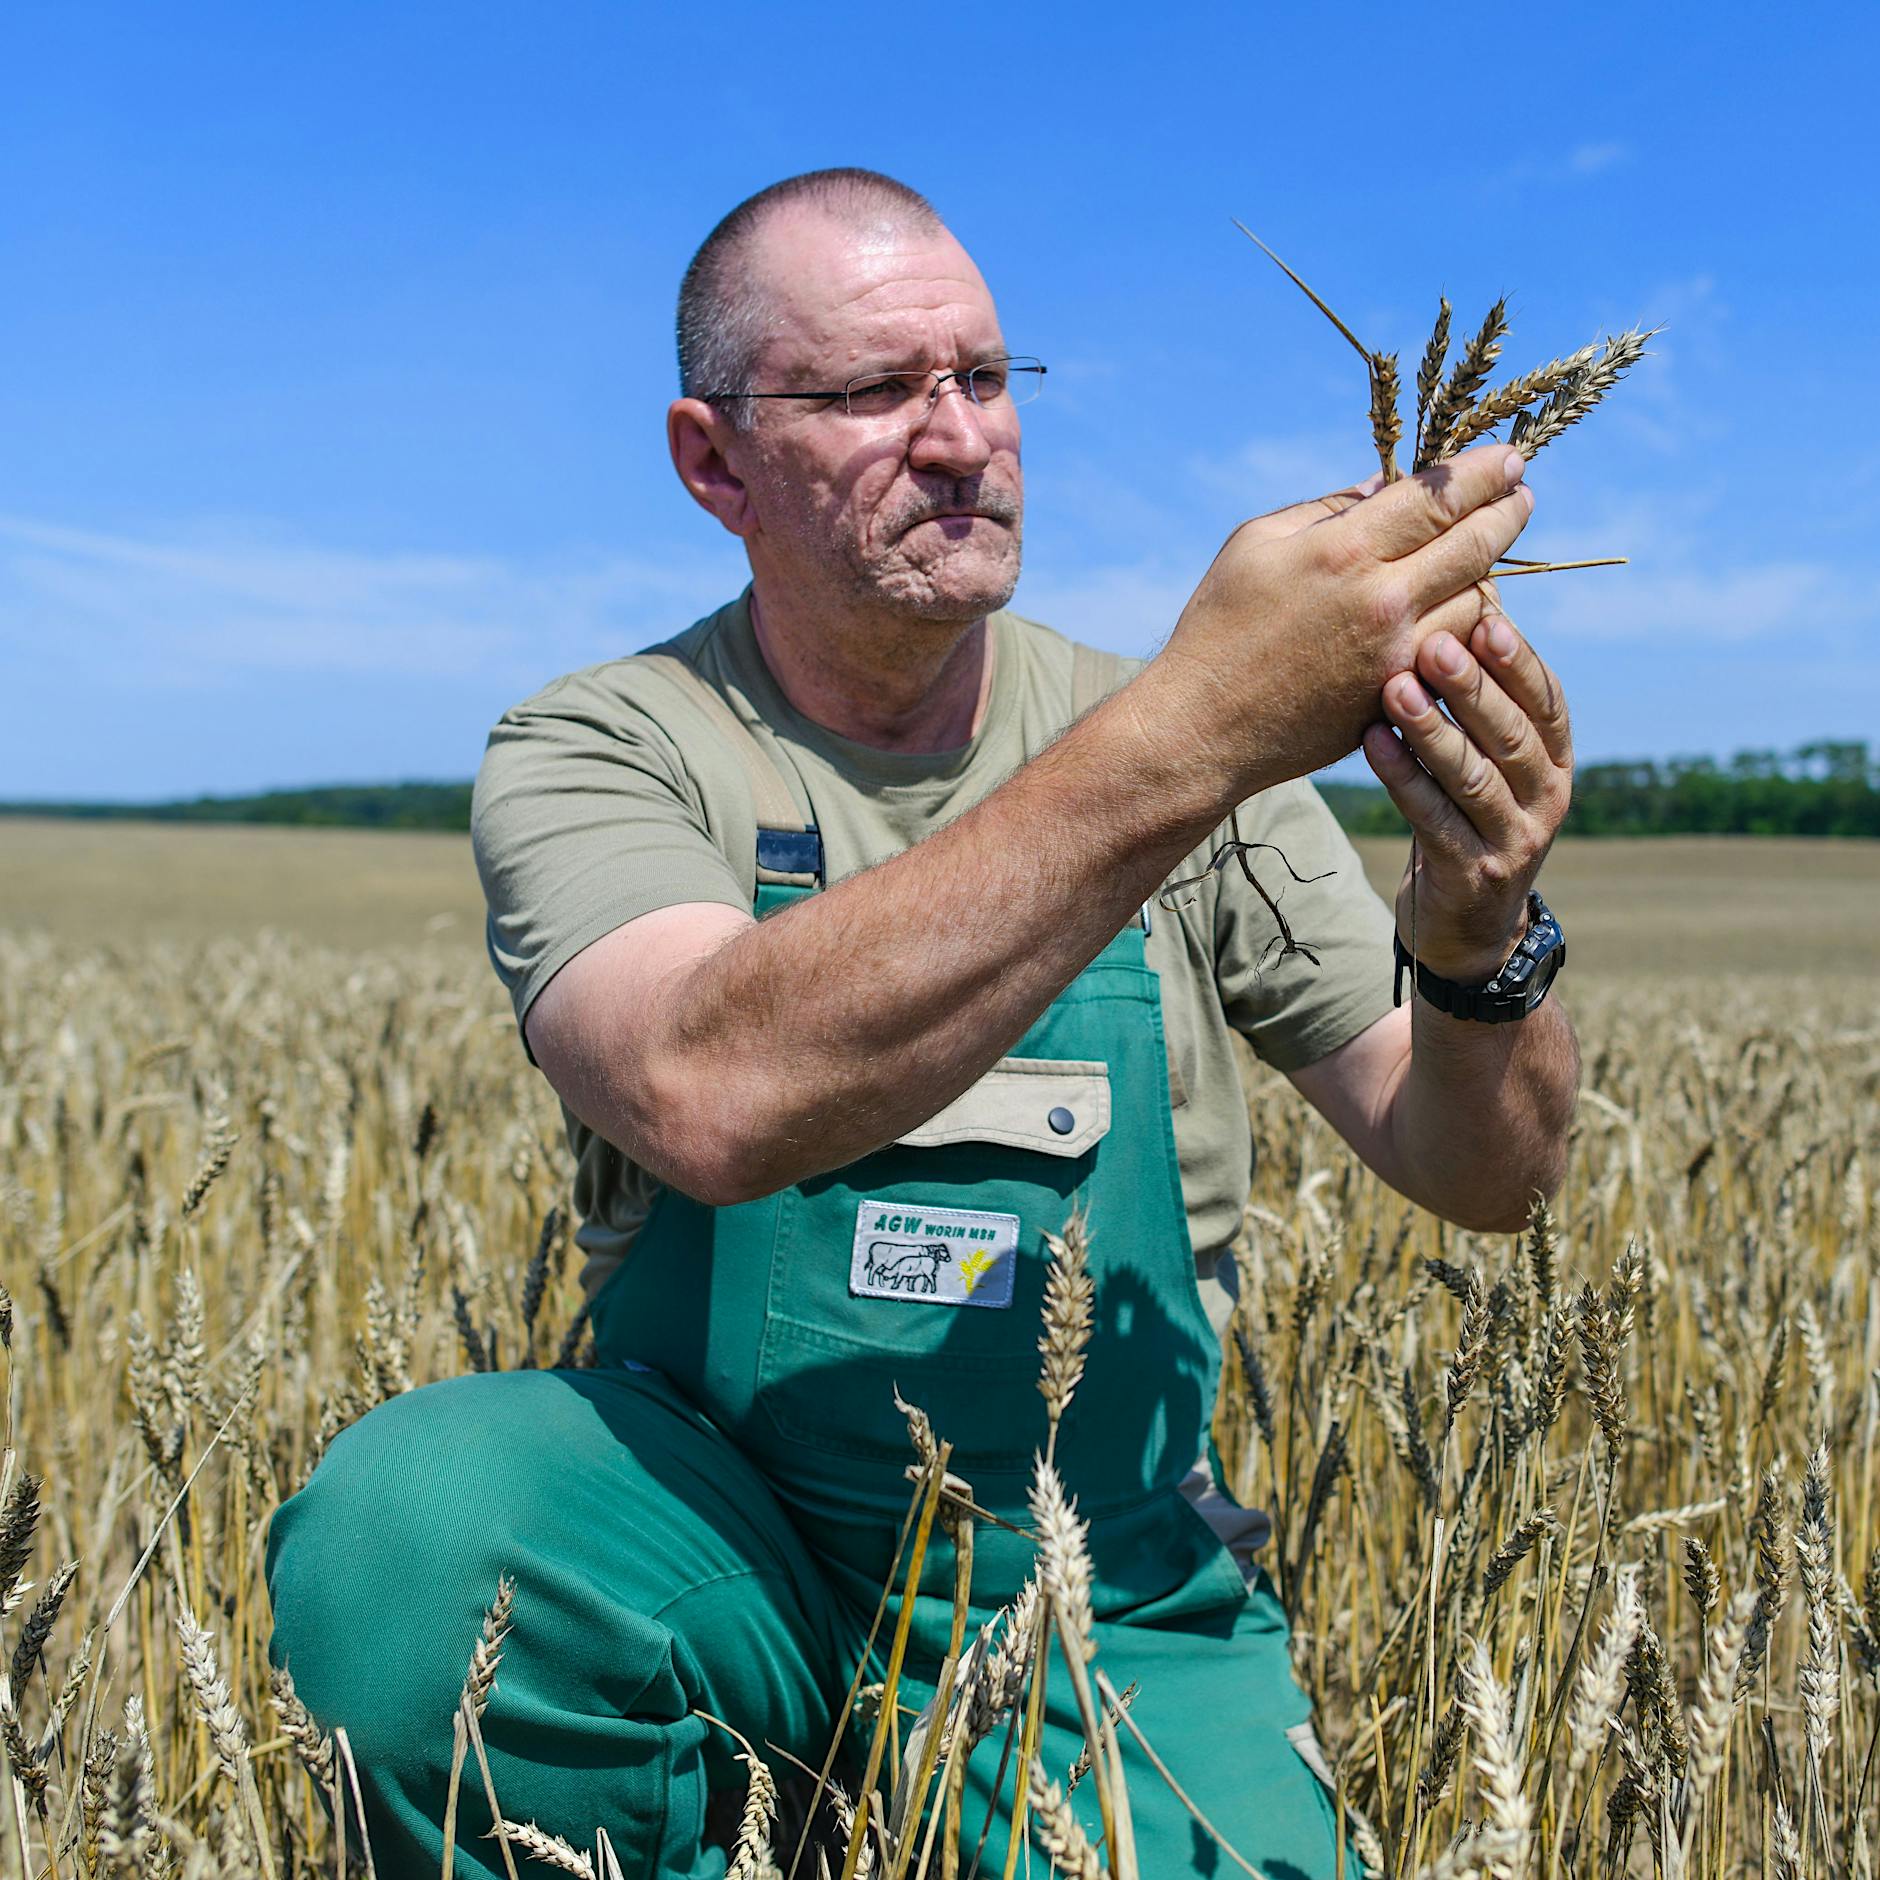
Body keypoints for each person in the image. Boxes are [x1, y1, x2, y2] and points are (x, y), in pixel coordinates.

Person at [266, 168, 1579, 1880]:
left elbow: (1482, 1172)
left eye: (984, 377)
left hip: (1082, 1585)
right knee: (413, 1543)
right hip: (715, 1543)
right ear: (713, 462)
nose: (960, 437)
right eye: (879, 392)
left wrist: (1481, 936)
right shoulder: (610, 745)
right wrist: (1197, 733)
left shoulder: (1173, 740)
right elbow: (705, 1083)